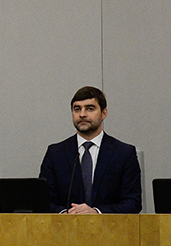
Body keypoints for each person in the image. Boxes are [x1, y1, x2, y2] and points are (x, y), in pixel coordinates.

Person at [39, 86, 141, 214]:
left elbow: (132, 202)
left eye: (90, 109)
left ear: (104, 113)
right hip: (66, 225)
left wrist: (96, 212)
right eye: (77, 109)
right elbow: (44, 201)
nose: (82, 114)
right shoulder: (56, 153)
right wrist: (65, 214)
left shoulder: (124, 153)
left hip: (109, 226)